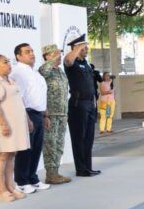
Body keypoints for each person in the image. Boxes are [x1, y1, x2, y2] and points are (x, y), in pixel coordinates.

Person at [0, 54, 32, 202]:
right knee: (2, 155)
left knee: (12, 154)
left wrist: (27, 120)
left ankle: (10, 186)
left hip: (16, 124)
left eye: (9, 62)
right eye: (5, 62)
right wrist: (3, 124)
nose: (9, 64)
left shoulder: (10, 80)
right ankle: (0, 189)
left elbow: (19, 102)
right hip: (3, 125)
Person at [10, 42, 50, 195]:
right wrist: (26, 118)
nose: (32, 54)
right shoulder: (18, 72)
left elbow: (40, 95)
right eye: (27, 52)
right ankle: (22, 181)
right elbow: (18, 97)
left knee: (37, 148)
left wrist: (45, 114)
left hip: (39, 114)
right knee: (26, 149)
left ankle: (33, 178)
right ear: (18, 56)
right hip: (27, 114)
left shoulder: (35, 73)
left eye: (32, 51)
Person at [64, 33, 99, 177]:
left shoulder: (86, 64)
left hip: (90, 103)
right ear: (76, 48)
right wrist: (77, 49)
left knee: (89, 137)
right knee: (79, 137)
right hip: (78, 104)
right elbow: (68, 60)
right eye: (84, 48)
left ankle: (88, 167)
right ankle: (81, 168)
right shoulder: (71, 63)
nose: (87, 50)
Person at [39, 44, 71, 185]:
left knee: (59, 144)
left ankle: (55, 172)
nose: (60, 56)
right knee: (50, 144)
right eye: (56, 53)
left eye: (59, 53)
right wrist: (52, 59)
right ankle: (50, 174)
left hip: (62, 113)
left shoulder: (60, 71)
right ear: (48, 56)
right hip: (50, 114)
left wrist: (66, 112)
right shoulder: (45, 69)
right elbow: (44, 70)